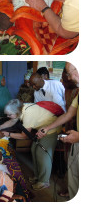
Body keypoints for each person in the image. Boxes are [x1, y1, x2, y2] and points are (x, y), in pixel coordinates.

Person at [0, 99, 61, 190]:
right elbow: (11, 121)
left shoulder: (28, 114)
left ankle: (44, 181)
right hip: (42, 129)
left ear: (17, 112)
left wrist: (9, 134)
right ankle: (38, 176)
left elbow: (24, 136)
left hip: (51, 129)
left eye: (9, 114)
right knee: (34, 149)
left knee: (42, 154)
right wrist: (0, 127)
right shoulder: (20, 108)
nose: (8, 116)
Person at [37, 62, 79, 199]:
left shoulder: (57, 86)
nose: (70, 77)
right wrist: (48, 127)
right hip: (73, 135)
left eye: (73, 71)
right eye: (68, 74)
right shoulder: (79, 92)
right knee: (73, 172)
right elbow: (68, 114)